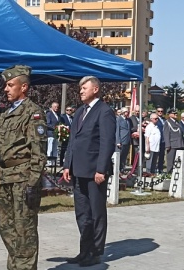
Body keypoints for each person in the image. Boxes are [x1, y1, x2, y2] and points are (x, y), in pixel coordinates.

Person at [0, 65, 46, 270]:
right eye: (4, 85)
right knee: (6, 227)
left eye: (10, 85)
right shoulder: (6, 113)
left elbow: (38, 153)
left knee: (25, 228)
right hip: (5, 176)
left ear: (23, 87)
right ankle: (15, 265)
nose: (6, 89)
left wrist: (33, 183)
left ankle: (24, 267)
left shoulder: (33, 113)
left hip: (23, 179)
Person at [63, 76, 116, 267]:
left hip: (95, 172)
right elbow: (72, 141)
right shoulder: (79, 112)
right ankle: (84, 250)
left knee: (96, 212)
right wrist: (67, 165)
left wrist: (101, 169)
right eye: (80, 89)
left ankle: (95, 252)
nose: (81, 91)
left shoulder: (104, 111)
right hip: (78, 170)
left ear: (95, 89)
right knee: (82, 212)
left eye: (84, 88)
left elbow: (107, 142)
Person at [163, 108, 184, 173]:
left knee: (177, 160)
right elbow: (166, 134)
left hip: (179, 144)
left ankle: (176, 173)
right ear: (169, 115)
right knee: (170, 161)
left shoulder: (177, 122)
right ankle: (169, 173)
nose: (176, 114)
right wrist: (167, 145)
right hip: (172, 144)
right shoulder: (168, 122)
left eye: (176, 113)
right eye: (174, 113)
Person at [115, 107, 131, 172]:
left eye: (128, 112)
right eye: (127, 112)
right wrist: (118, 141)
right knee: (119, 156)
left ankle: (122, 168)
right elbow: (117, 131)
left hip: (127, 141)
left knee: (124, 156)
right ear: (123, 112)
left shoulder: (128, 120)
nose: (128, 113)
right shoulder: (118, 120)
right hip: (121, 141)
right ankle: (117, 170)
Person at [46, 102, 60, 167]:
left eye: (57, 107)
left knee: (55, 148)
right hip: (50, 133)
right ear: (52, 107)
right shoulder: (49, 114)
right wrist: (55, 127)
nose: (56, 108)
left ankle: (53, 161)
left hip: (56, 134)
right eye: (55, 107)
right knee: (50, 148)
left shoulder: (57, 115)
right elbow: (47, 124)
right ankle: (49, 162)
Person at [156, 107, 166, 173]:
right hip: (157, 140)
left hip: (163, 140)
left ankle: (160, 168)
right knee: (156, 156)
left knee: (162, 155)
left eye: (161, 111)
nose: (160, 112)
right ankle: (155, 169)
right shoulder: (155, 119)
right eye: (159, 111)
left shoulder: (164, 120)